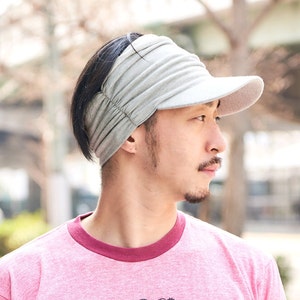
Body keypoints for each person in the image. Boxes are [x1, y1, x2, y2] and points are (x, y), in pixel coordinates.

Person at [0, 32, 286, 299]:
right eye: (199, 117)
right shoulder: (20, 282)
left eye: (216, 118)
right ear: (129, 134)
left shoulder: (251, 273)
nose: (219, 142)